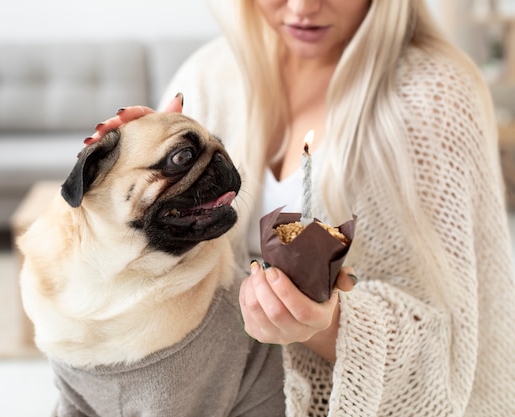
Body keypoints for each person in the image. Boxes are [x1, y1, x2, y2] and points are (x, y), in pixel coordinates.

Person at [86, 0, 515, 415]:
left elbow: (454, 345)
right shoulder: (207, 76)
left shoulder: (436, 96)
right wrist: (112, 180)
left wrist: (323, 323)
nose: (303, 7)